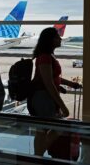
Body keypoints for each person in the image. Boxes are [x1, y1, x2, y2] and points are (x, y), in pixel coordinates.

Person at [29, 27, 82, 156]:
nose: (60, 39)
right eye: (58, 37)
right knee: (58, 127)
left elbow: (53, 78)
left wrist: (70, 84)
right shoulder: (45, 57)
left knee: (41, 130)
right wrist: (63, 106)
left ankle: (37, 157)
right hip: (43, 98)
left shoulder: (47, 56)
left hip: (43, 97)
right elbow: (49, 83)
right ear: (51, 40)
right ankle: (38, 155)